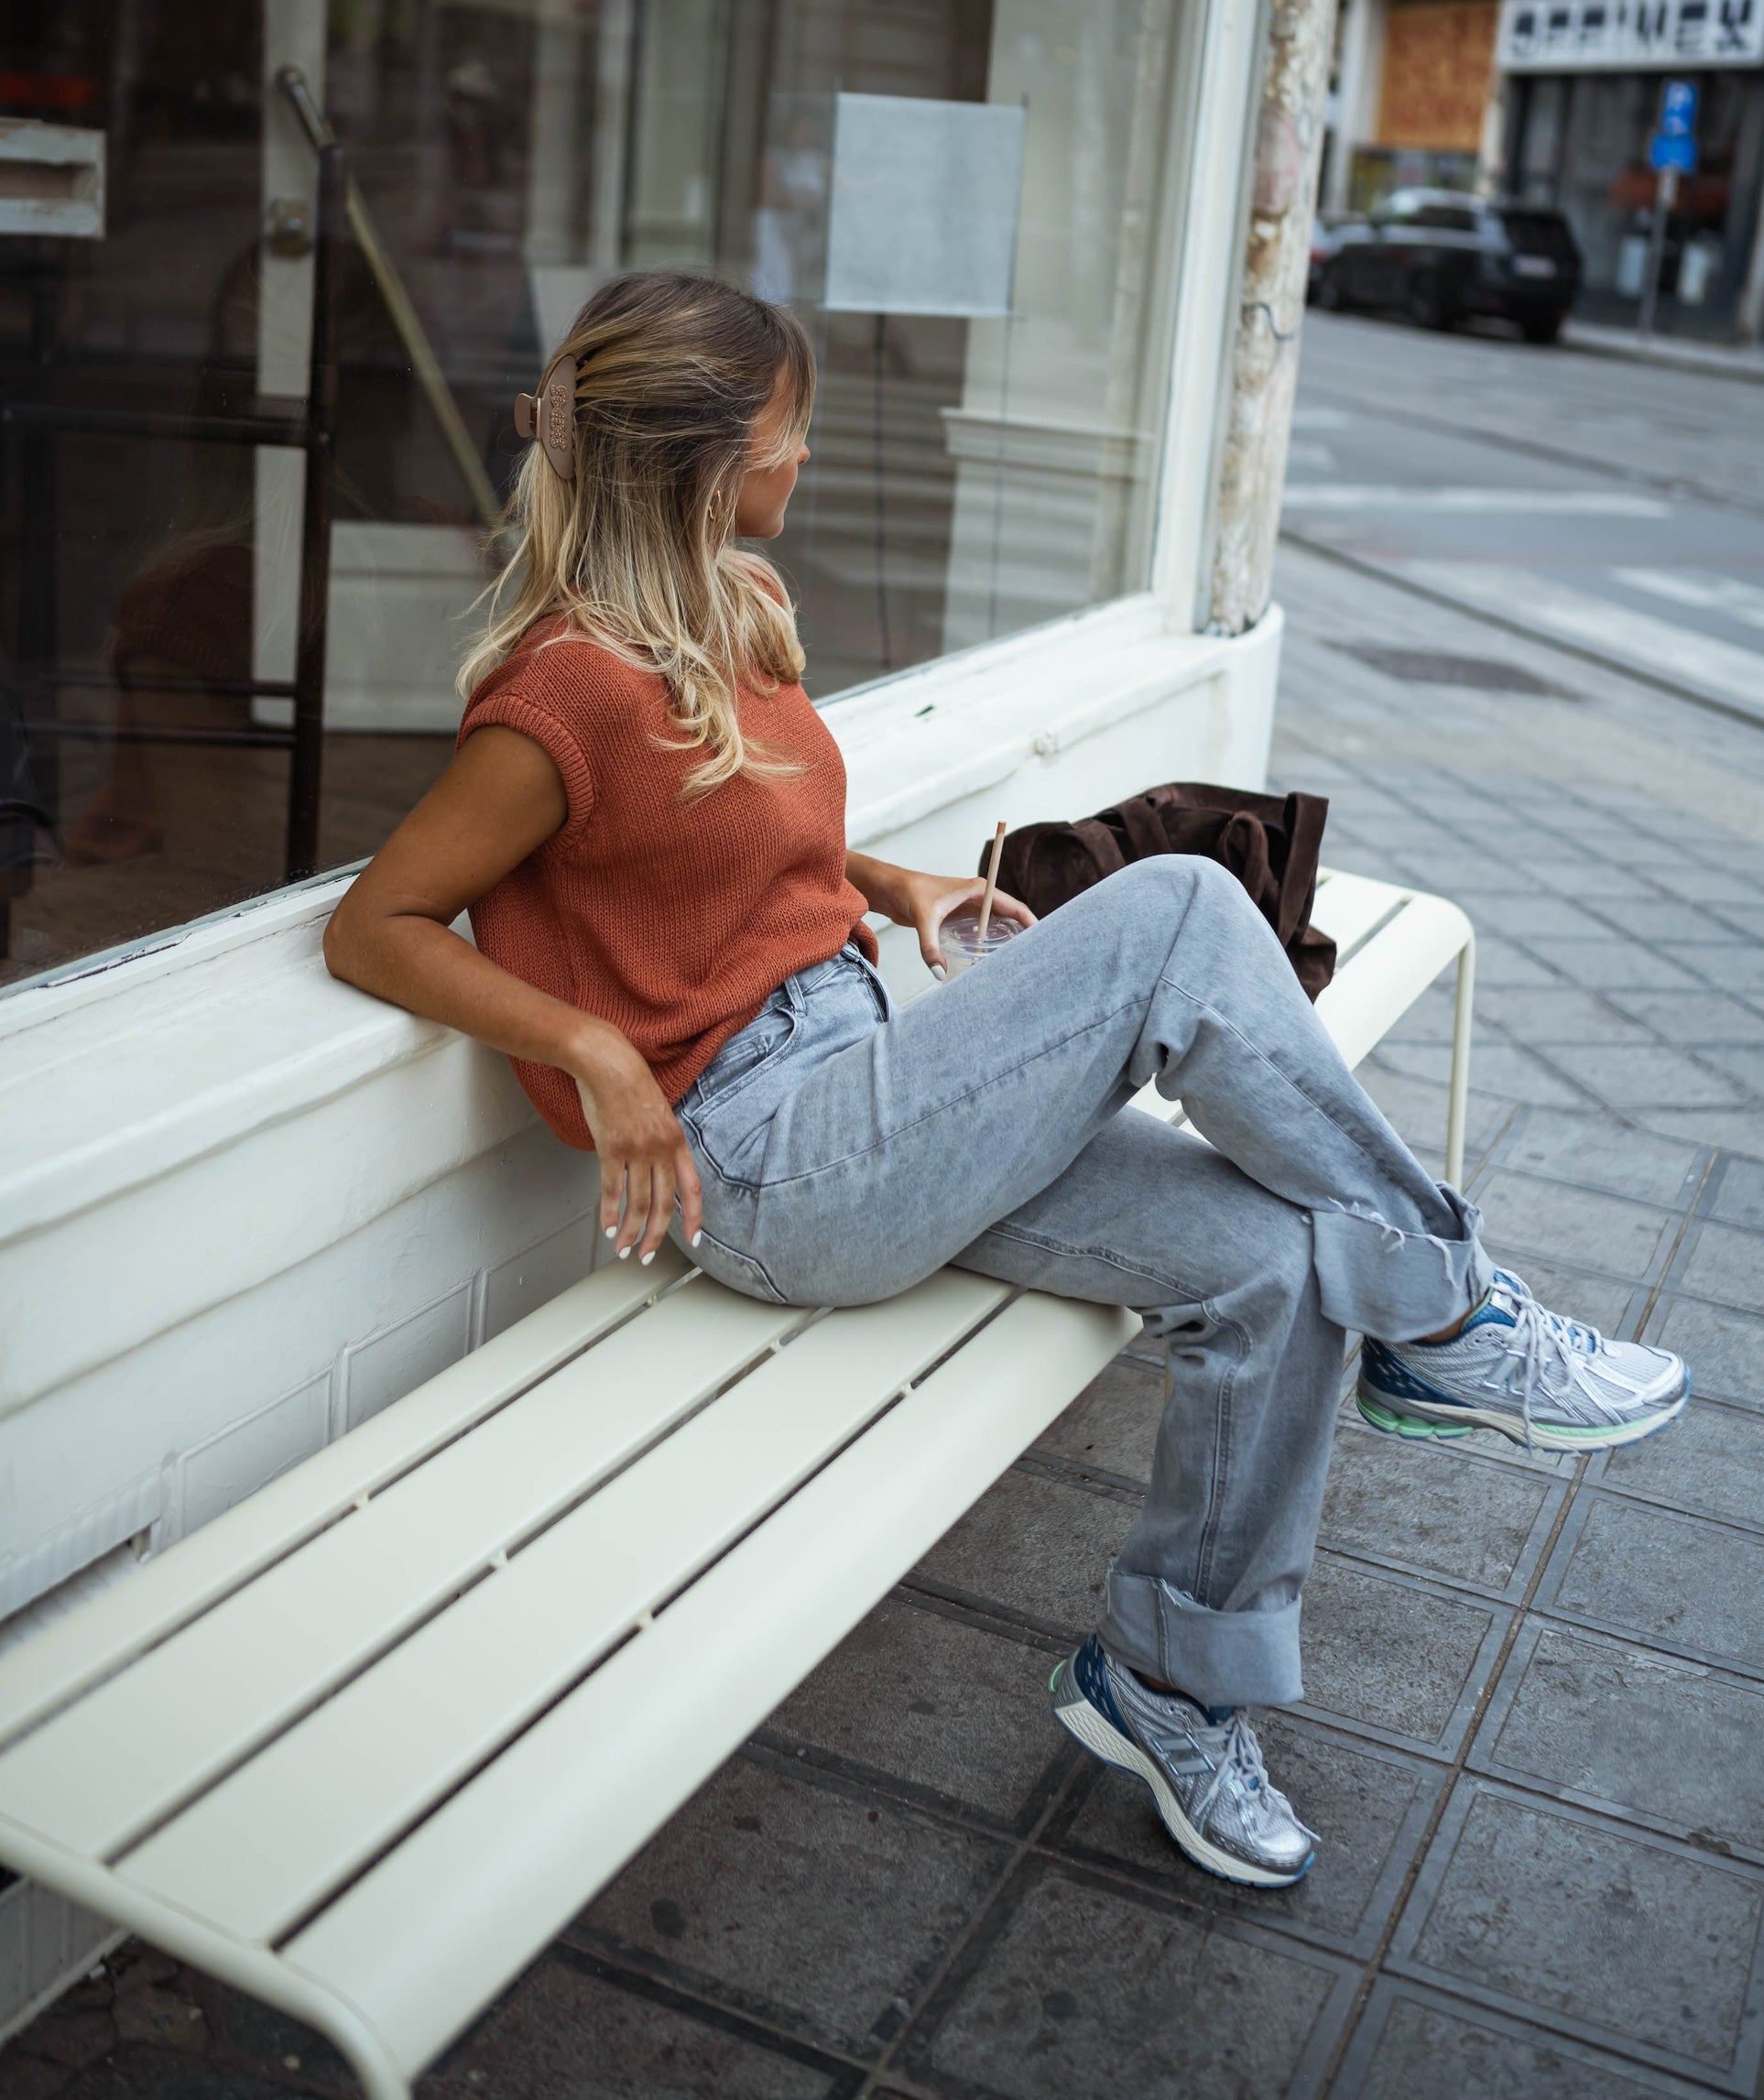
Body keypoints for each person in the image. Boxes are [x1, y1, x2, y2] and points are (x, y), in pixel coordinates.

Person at [324, 270, 1688, 1891]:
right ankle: (1454, 1312)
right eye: (786, 432)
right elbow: (376, 924)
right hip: (766, 1166)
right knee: (1182, 908)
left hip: (865, 1081)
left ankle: (1170, 1683)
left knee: (1275, 1263)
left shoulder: (718, 614)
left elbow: (728, 843)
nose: (805, 457)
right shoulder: (559, 690)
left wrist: (885, 889)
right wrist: (599, 1051)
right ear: (700, 461)